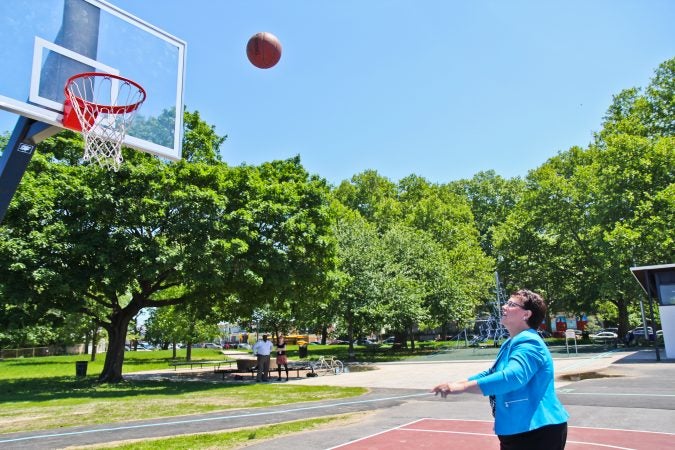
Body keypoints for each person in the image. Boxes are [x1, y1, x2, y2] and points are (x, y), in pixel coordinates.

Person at [432, 289, 569, 450]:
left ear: (526, 315)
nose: (503, 306)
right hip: (520, 429)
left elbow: (512, 377)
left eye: (511, 304)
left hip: (535, 430)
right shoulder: (511, 342)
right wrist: (458, 383)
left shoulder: (529, 342)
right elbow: (493, 373)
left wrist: (462, 388)